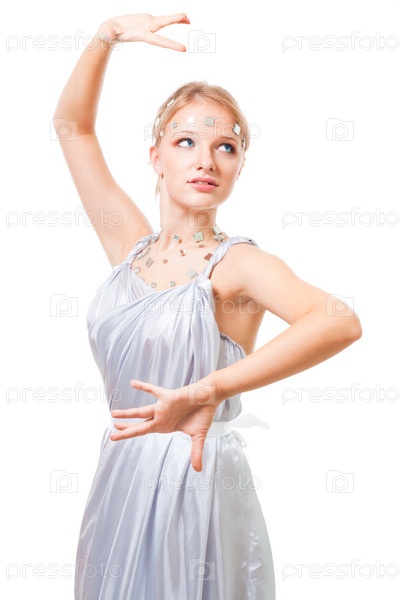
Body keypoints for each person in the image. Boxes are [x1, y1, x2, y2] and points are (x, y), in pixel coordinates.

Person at [53, 12, 362, 600]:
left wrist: (206, 391)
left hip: (194, 480)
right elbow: (73, 128)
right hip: (121, 474)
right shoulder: (129, 246)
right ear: (156, 156)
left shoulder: (237, 263)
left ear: (239, 167)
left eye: (226, 147)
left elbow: (339, 321)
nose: (206, 160)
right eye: (186, 142)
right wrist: (106, 36)